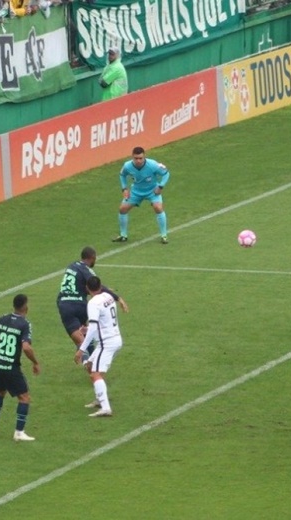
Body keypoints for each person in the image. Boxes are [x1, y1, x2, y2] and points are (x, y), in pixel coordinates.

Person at [56, 246, 127, 362]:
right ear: (92, 258)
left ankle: (88, 359)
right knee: (86, 333)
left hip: (64, 304)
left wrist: (105, 288)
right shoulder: (86, 270)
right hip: (79, 305)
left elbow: (83, 285)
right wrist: (118, 298)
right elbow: (96, 286)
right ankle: (92, 361)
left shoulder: (71, 266)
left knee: (80, 337)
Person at [0, 294, 40, 441]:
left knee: (0, 391)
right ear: (25, 307)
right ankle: (19, 432)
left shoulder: (2, 318)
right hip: (10, 367)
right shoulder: (24, 324)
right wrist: (35, 362)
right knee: (24, 397)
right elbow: (27, 348)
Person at [75, 276, 123, 417]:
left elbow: (95, 327)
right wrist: (87, 329)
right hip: (115, 338)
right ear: (100, 286)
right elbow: (104, 320)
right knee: (90, 365)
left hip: (106, 343)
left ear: (87, 288)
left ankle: (106, 408)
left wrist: (81, 349)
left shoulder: (93, 303)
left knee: (95, 374)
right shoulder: (108, 296)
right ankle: (99, 398)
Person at [113, 146, 169, 244]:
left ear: (144, 157)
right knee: (122, 209)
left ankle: (164, 236)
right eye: (136, 158)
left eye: (140, 158)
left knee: (158, 208)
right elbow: (122, 175)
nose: (138, 161)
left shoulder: (153, 165)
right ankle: (123, 235)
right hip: (136, 192)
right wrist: (124, 188)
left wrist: (160, 187)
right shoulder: (127, 166)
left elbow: (166, 174)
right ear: (132, 157)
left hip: (152, 191)